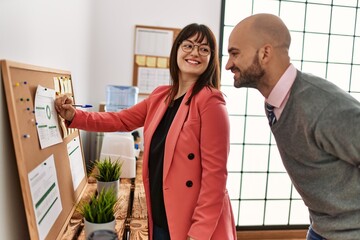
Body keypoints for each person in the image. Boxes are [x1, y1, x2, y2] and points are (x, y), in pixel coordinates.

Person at [55, 23, 236, 240]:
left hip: (192, 223)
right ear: (176, 50)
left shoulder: (211, 101)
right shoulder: (161, 96)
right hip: (160, 215)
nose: (195, 52)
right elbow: (120, 119)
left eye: (204, 49)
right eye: (188, 45)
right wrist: (74, 116)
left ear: (211, 59)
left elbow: (215, 177)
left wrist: (198, 234)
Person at [225, 13, 360, 240]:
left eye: (234, 53)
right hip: (320, 228)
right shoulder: (275, 100)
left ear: (265, 53)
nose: (228, 64)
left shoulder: (322, 105)